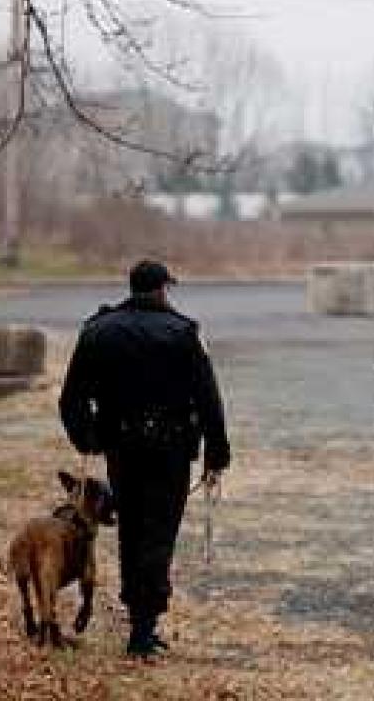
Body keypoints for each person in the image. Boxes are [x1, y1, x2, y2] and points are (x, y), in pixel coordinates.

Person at [59, 259, 231, 656]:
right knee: (159, 532)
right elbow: (208, 398)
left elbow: (71, 397)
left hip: (121, 446)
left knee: (132, 528)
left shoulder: (98, 331)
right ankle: (143, 624)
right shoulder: (183, 332)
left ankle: (138, 615)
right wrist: (216, 453)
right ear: (162, 289)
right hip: (171, 449)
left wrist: (88, 439)